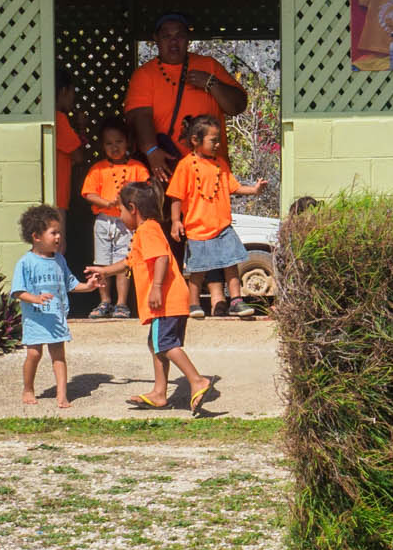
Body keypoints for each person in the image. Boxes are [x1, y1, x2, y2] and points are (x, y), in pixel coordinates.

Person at [87, 180, 216, 414]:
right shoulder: (145, 231)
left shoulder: (148, 230)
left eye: (121, 211)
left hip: (166, 300)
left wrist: (156, 287)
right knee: (155, 343)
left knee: (165, 344)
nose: (121, 216)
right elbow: (129, 262)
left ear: (133, 208)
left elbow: (161, 258)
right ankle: (158, 393)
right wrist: (104, 270)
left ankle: (196, 380)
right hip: (170, 300)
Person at [124, 12, 244, 180]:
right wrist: (152, 151)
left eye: (180, 36)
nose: (174, 42)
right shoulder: (144, 74)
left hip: (209, 170)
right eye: (167, 36)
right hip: (167, 168)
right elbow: (138, 116)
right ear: (156, 39)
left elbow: (238, 106)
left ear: (188, 38)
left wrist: (211, 83)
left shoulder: (209, 65)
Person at [174, 112, 269, 317]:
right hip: (197, 228)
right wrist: (175, 221)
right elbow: (175, 196)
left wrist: (254, 190)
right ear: (195, 140)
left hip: (223, 227)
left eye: (219, 141)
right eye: (213, 140)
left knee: (231, 264)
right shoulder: (185, 166)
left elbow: (233, 187)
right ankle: (194, 304)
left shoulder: (220, 164)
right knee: (197, 271)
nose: (218, 145)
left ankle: (236, 300)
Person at [12, 205, 92, 408]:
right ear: (36, 236)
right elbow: (17, 291)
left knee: (59, 356)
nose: (58, 237)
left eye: (59, 233)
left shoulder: (59, 260)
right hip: (35, 320)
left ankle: (62, 395)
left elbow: (70, 284)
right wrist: (35, 299)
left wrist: (89, 286)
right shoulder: (26, 262)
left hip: (56, 320)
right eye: (53, 233)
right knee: (34, 354)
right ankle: (28, 388)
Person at [78, 122, 152, 317]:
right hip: (104, 220)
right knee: (102, 262)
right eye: (109, 143)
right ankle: (104, 301)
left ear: (128, 142)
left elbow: (146, 189)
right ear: (103, 146)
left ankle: (121, 303)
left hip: (126, 222)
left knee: (122, 262)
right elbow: (88, 193)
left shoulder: (137, 167)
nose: (115, 146)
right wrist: (107, 203)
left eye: (119, 141)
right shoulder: (98, 169)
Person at [52, 69, 83, 213]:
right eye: (72, 93)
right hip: (58, 195)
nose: (73, 98)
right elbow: (78, 155)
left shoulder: (52, 118)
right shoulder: (59, 119)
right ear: (64, 91)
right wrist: (81, 127)